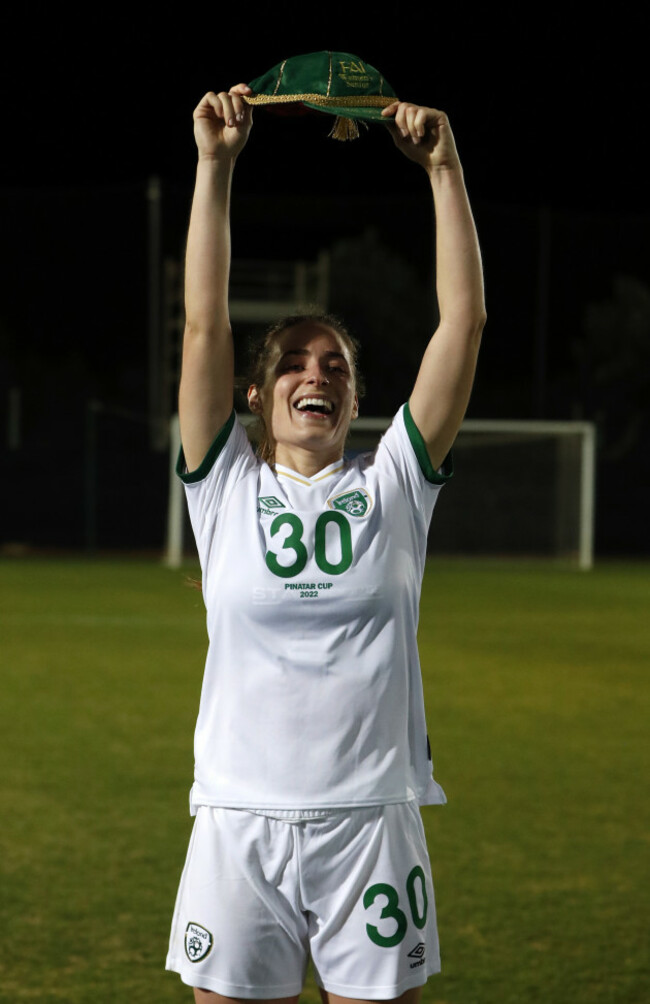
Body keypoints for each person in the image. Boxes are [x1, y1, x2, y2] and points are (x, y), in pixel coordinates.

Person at [166, 82, 486, 1004]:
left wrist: (444, 170)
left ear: (352, 400)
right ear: (257, 399)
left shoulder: (394, 485)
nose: (318, 373)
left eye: (336, 366)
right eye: (297, 363)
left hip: (372, 826)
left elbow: (460, 325)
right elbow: (202, 328)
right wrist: (214, 168)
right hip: (237, 821)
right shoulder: (223, 487)